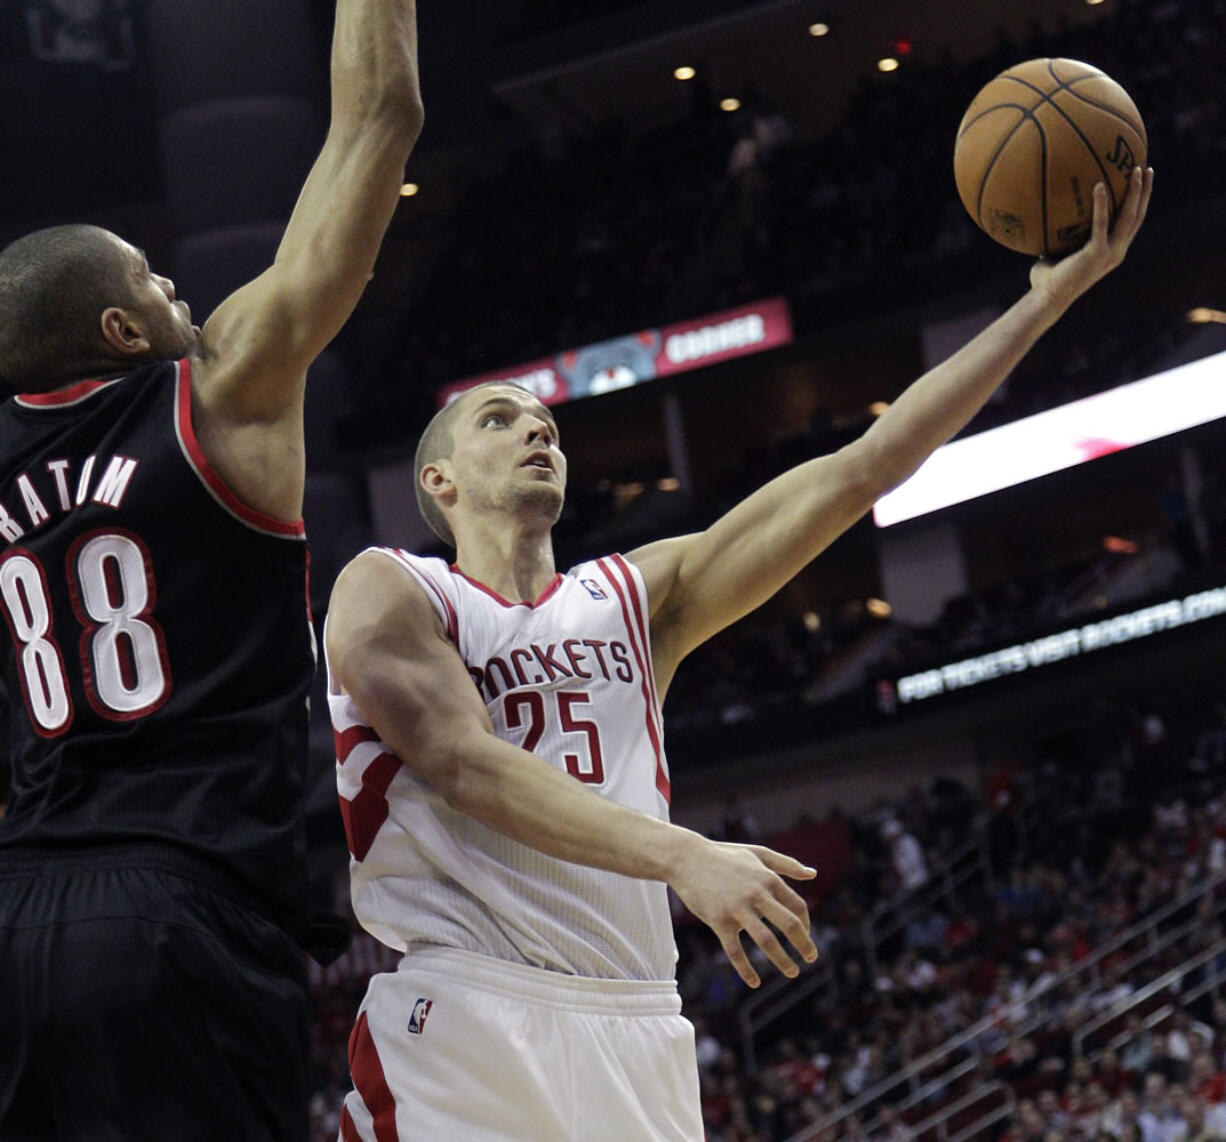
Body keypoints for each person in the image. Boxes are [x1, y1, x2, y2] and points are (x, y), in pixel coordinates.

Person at [323, 167, 1153, 1140]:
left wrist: (1039, 306)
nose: (534, 429)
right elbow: (461, 762)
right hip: (469, 1005)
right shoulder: (391, 586)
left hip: (636, 1021)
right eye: (496, 420)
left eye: (542, 420)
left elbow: (858, 471)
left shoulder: (635, 596)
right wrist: (683, 854)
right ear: (437, 478)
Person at [0, 2, 422, 1139]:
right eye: (152, 280)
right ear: (121, 330)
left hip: (18, 912)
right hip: (179, 896)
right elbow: (379, 117)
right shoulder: (218, 391)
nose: (179, 290)